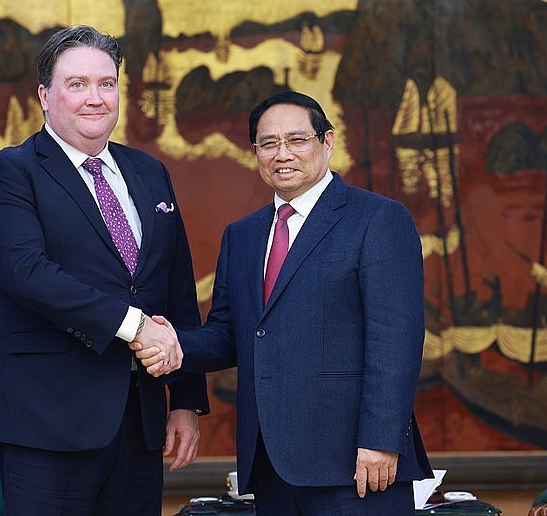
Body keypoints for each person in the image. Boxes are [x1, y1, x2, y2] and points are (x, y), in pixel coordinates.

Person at [134, 91, 432, 515]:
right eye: (268, 143)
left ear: (327, 142)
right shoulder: (243, 235)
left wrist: (381, 440)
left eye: (297, 140)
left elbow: (396, 340)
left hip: (356, 464)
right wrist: (170, 344)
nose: (282, 154)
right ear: (255, 151)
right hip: (271, 464)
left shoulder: (378, 219)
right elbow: (228, 334)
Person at [0, 24, 209, 516]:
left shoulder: (150, 172)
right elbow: (26, 273)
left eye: (106, 83)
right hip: (47, 422)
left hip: (139, 423)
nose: (95, 98)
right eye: (76, 84)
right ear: (44, 95)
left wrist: (185, 399)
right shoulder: (10, 172)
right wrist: (135, 325)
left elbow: (176, 287)